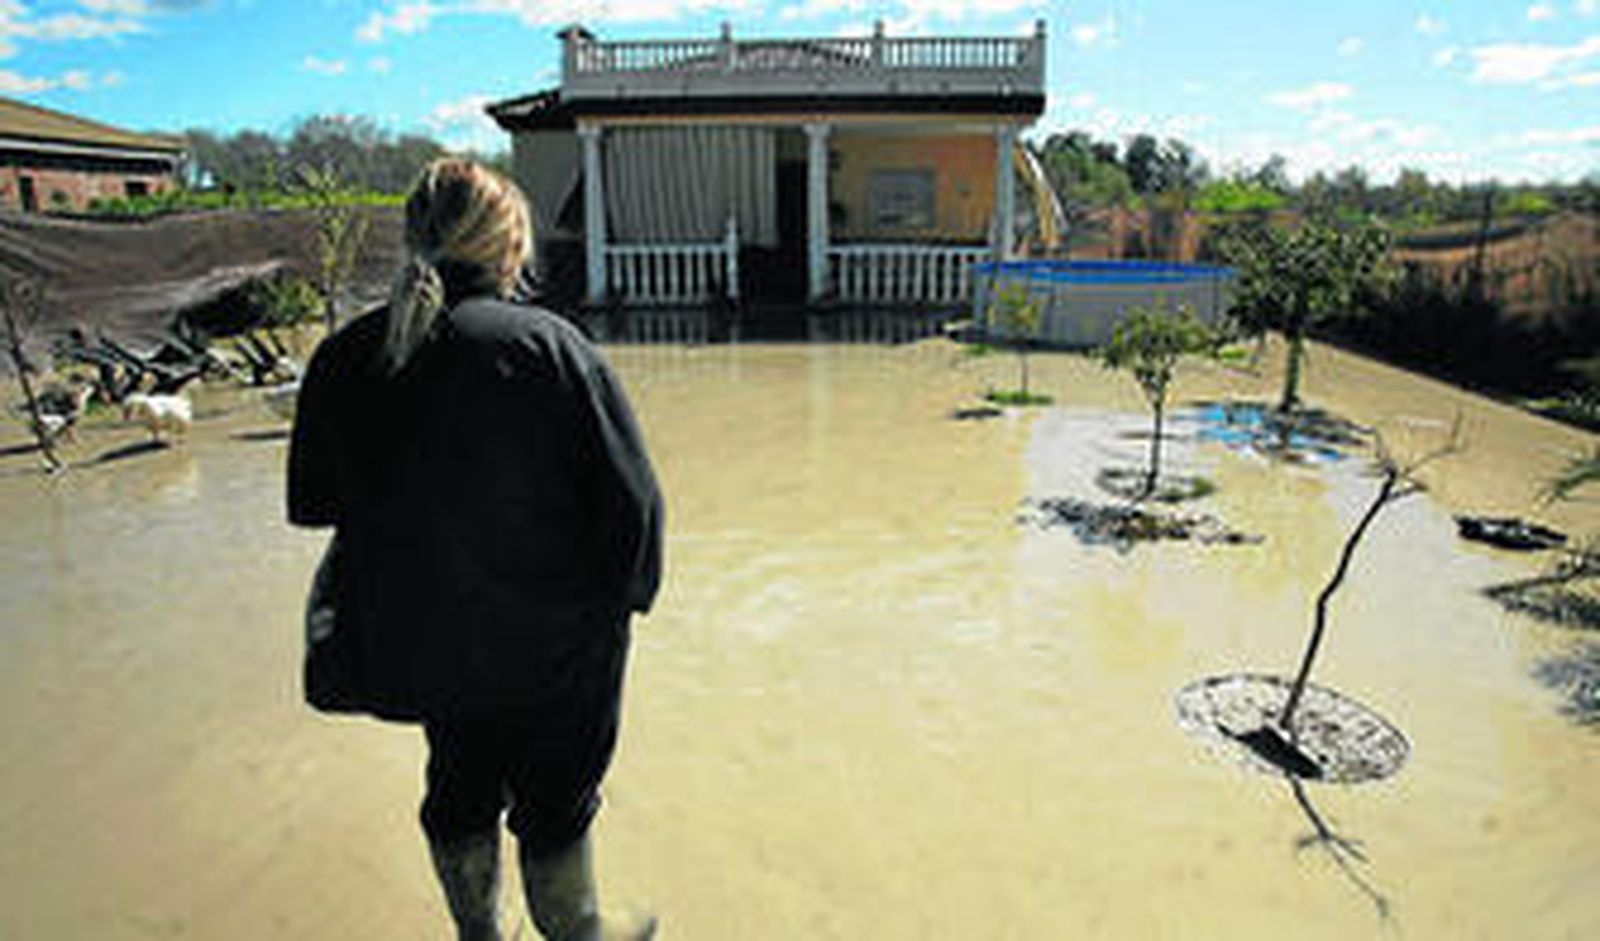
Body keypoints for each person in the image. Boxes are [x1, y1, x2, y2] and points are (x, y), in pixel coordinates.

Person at [287, 159, 663, 941]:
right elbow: (634, 519)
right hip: (555, 652)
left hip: (425, 646)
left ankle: (481, 934)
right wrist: (607, 618)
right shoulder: (549, 348)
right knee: (556, 807)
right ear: (510, 243)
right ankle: (578, 928)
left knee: (457, 785)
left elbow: (315, 505)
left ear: (411, 239)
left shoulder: (345, 357)